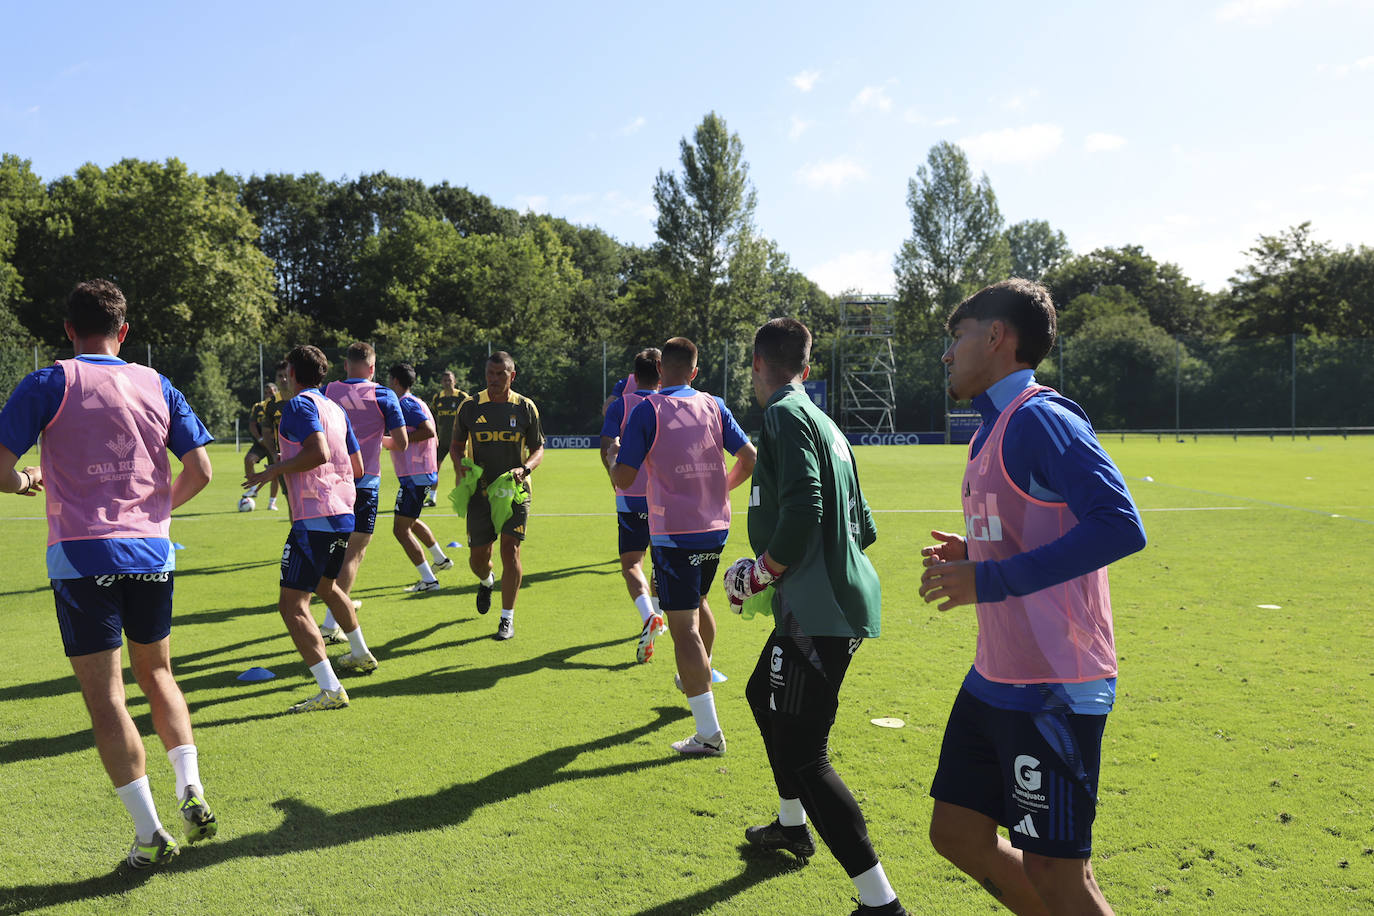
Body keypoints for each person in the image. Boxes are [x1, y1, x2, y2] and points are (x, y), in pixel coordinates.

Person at [918, 279, 1146, 915]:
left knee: (1058, 870)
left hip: (1054, 685)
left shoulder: (1041, 418)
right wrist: (975, 550)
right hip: (995, 675)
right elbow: (1034, 525)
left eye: (958, 337)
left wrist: (989, 579)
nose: (948, 354)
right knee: (956, 833)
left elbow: (1120, 525)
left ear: (996, 337)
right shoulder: (989, 429)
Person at [0, 279, 218, 868]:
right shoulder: (157, 382)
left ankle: (150, 835)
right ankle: (191, 787)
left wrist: (24, 481)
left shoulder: (49, 381)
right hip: (151, 553)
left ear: (68, 330)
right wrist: (155, 514)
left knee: (107, 698)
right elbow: (200, 470)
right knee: (159, 674)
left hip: (82, 556)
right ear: (124, 331)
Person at [722, 318, 907, 916]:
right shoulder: (824, 420)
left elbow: (805, 505)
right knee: (761, 693)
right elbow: (865, 526)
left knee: (806, 752)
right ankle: (791, 825)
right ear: (806, 366)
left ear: (756, 363)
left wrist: (763, 571)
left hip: (819, 607)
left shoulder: (782, 413)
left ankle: (881, 903)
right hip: (827, 599)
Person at [610, 337, 756, 757]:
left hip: (674, 533)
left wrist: (614, 456)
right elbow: (749, 457)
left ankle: (709, 733)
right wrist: (720, 489)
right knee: (699, 602)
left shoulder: (647, 409)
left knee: (682, 628)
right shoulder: (714, 404)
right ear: (694, 372)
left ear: (660, 371)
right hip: (716, 527)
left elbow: (624, 478)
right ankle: (696, 677)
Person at [245, 345, 378, 706]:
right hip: (343, 513)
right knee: (327, 587)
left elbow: (318, 452)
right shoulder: (335, 408)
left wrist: (275, 469)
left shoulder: (298, 406)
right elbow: (359, 468)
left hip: (314, 516)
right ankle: (360, 652)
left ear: (291, 373)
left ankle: (330, 689)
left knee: (292, 606)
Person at [450, 351, 544, 640]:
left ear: (512, 376)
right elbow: (455, 445)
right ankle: (486, 580)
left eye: (500, 374)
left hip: (515, 491)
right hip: (480, 493)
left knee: (510, 549)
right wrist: (461, 467)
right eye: (490, 373)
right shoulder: (470, 406)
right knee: (478, 559)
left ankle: (507, 619)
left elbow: (538, 449)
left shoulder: (525, 407)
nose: (494, 379)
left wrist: (525, 469)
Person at [322, 343, 410, 634]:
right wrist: (377, 441)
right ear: (372, 368)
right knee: (354, 552)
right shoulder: (383, 394)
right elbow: (402, 442)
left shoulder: (328, 391)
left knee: (331, 548)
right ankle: (331, 623)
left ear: (346, 365)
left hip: (329, 482)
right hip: (364, 483)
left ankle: (339, 604)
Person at [599, 348, 666, 663]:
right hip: (665, 497)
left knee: (631, 564)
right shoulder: (668, 403)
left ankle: (649, 615)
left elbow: (607, 447)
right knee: (661, 559)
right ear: (661, 374)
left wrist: (614, 477)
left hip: (631, 496)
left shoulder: (620, 405)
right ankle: (659, 616)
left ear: (634, 376)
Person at [387, 363, 453, 592]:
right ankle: (440, 559)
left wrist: (397, 441)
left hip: (416, 475)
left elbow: (428, 431)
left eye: (389, 379)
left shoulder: (405, 404)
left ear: (395, 380)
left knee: (400, 529)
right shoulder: (417, 402)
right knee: (410, 521)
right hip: (419, 473)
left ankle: (429, 580)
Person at [430, 370, 468, 502]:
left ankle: (460, 497)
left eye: (450, 380)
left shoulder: (462, 397)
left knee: (459, 469)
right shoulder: (437, 398)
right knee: (434, 469)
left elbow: (471, 415)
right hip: (442, 441)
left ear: (454, 381)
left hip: (458, 442)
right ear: (441, 382)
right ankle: (431, 498)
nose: (447, 383)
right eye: (445, 380)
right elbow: (432, 417)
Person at [242, 382, 281, 508]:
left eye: (271, 392)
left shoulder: (280, 405)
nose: (268, 394)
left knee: (275, 473)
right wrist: (260, 438)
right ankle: (253, 489)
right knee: (249, 460)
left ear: (276, 392)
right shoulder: (258, 406)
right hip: (261, 443)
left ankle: (272, 502)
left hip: (275, 444)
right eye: (266, 392)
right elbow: (252, 424)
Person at [259, 361, 291, 511]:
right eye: (280, 376)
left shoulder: (303, 397)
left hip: (303, 457)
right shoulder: (271, 404)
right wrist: (273, 454)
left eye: (286, 375)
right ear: (276, 378)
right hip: (282, 460)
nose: (283, 379)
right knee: (290, 501)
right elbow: (266, 432)